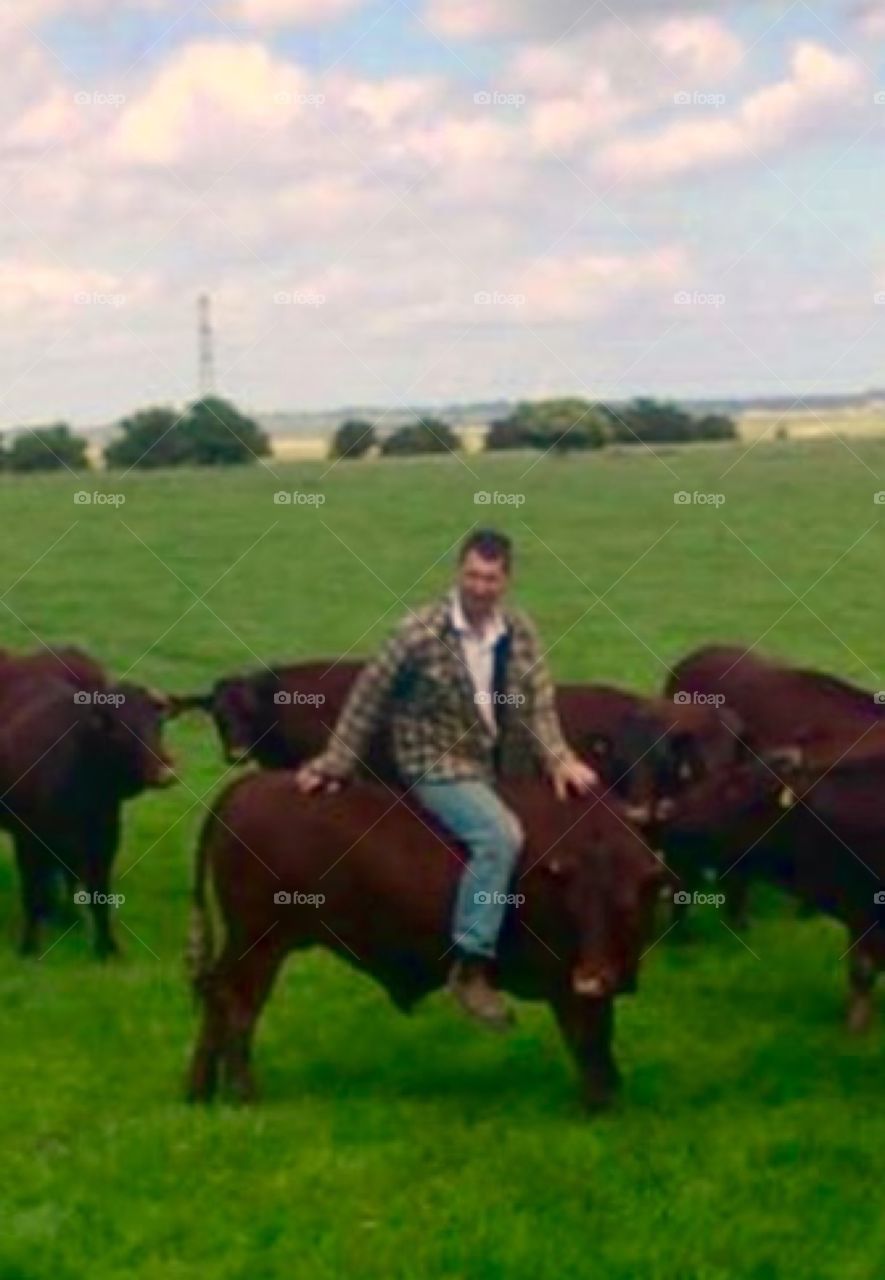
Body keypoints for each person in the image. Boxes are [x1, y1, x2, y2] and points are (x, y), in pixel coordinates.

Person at [295, 529, 597, 1029]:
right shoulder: (417, 633)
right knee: (500, 836)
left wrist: (561, 759)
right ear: (459, 573)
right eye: (473, 575)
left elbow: (539, 702)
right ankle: (472, 963)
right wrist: (335, 764)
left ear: (507, 580)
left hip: (501, 763)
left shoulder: (519, 632)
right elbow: (367, 700)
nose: (481, 587)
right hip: (436, 762)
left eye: (492, 578)